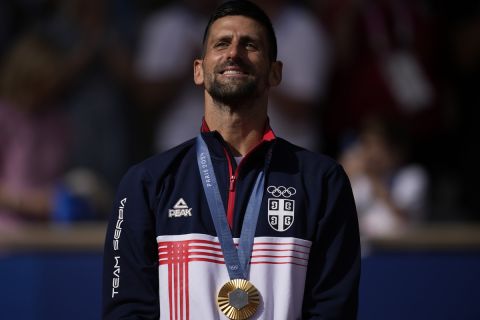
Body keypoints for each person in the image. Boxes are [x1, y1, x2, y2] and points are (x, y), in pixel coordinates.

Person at [102, 1, 360, 319]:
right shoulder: (146, 182)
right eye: (222, 43)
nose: (234, 53)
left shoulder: (322, 182)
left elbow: (333, 309)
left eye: (250, 44)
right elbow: (128, 309)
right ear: (198, 70)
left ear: (275, 72)